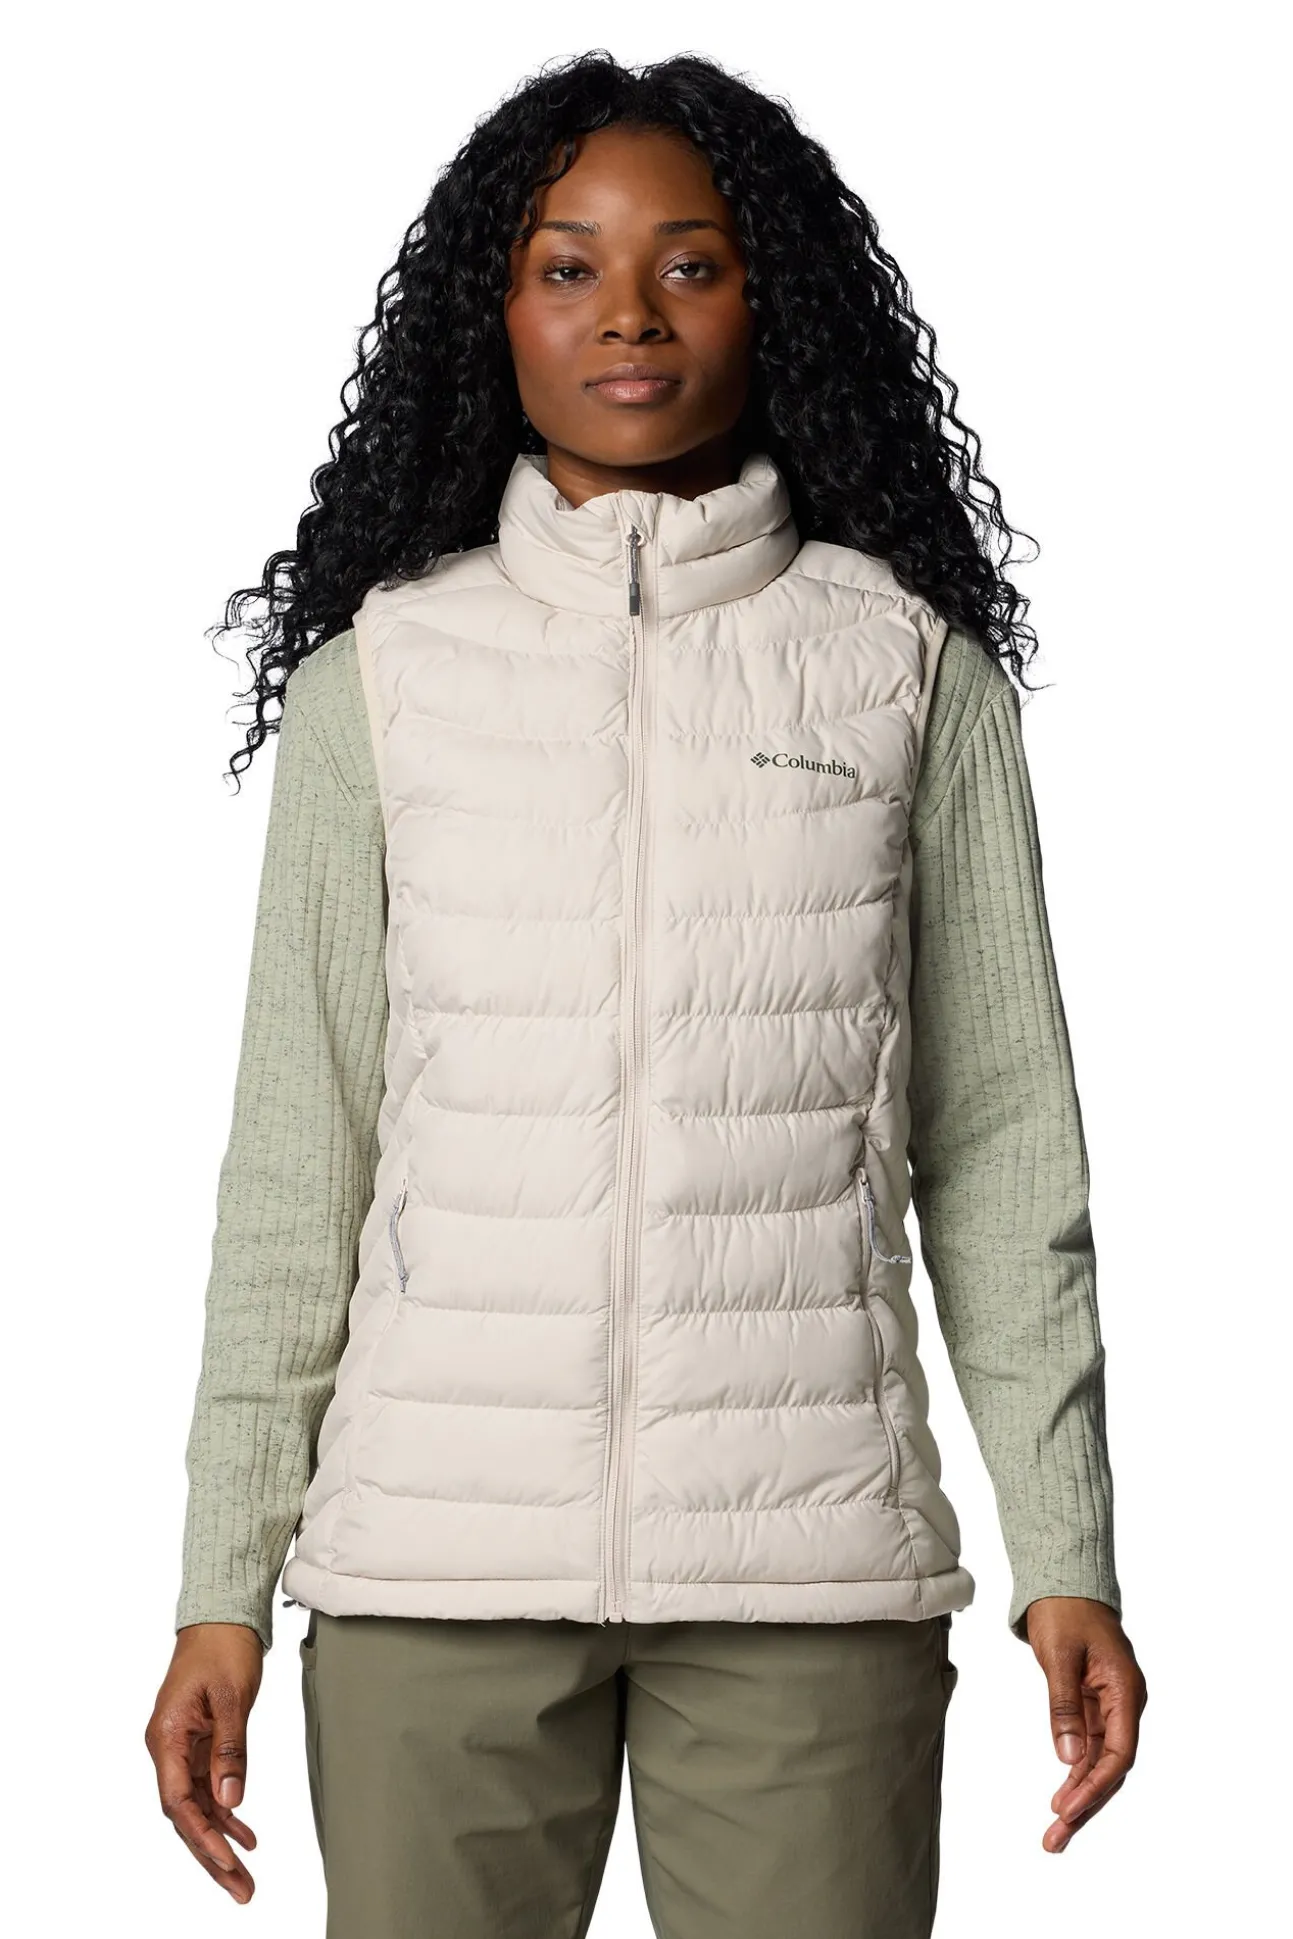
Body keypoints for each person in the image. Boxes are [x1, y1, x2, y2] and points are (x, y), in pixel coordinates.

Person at [145, 48, 1147, 1937]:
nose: (629, 311)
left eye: (691, 263)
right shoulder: (383, 683)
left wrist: (1065, 1550)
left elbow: (1008, 1151)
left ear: (775, 303)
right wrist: (221, 1585)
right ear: (495, 313)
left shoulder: (907, 673)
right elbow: (297, 1163)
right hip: (431, 1568)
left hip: (811, 1575)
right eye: (567, 266)